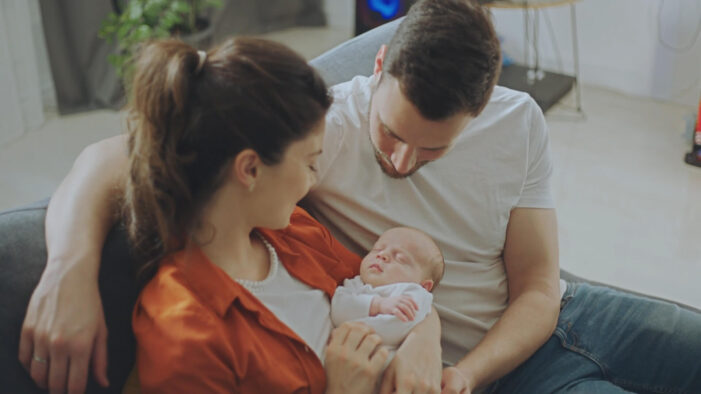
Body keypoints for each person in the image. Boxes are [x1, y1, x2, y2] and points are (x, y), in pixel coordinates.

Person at [20, 0, 701, 393]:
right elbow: (131, 153)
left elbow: (534, 286)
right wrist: (68, 266)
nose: (401, 160)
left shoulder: (296, 234)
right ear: (376, 69)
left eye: (434, 149)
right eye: (390, 133)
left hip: (554, 317)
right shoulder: (316, 127)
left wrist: (428, 337)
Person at [19, 36, 441, 394]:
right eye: (310, 163)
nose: (313, 182)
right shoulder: (187, 335)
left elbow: (386, 290)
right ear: (250, 169)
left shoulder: (294, 230)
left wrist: (425, 334)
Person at [331, 227, 445, 349]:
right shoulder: (356, 283)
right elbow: (336, 309)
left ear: (423, 285)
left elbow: (393, 329)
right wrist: (377, 305)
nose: (382, 255)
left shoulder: (414, 293)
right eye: (377, 249)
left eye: (400, 258)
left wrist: (349, 321)